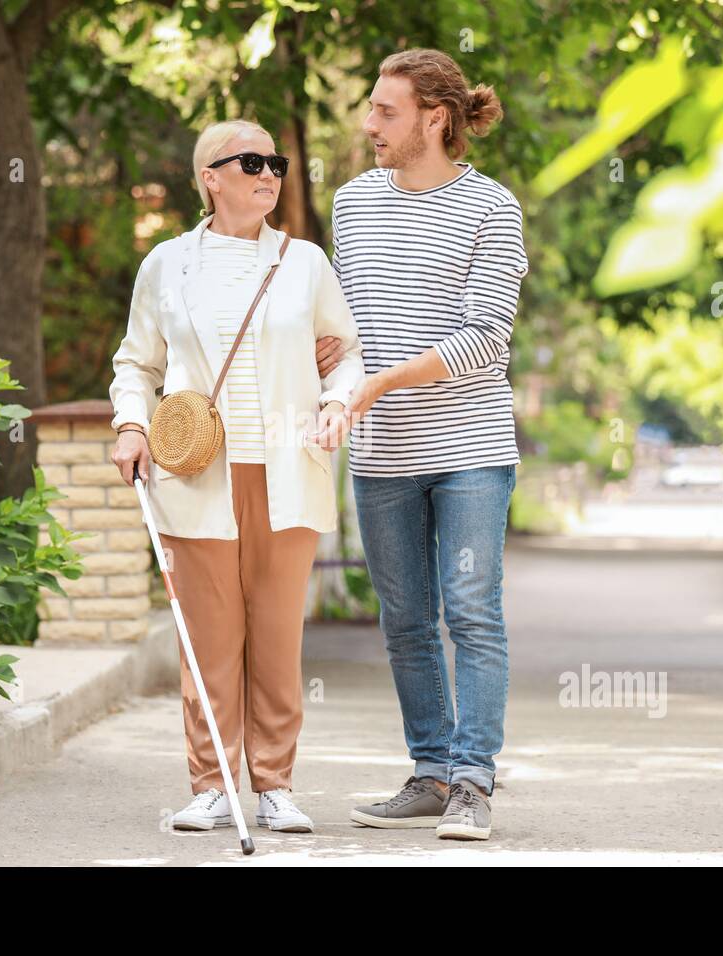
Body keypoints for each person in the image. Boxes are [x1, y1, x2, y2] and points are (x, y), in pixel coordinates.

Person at [109, 119, 364, 834]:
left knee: (277, 636)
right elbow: (138, 363)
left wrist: (340, 401)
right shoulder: (166, 264)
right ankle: (214, 783)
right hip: (196, 474)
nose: (269, 173)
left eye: (276, 162)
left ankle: (276, 785)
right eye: (250, 162)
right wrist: (132, 424)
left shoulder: (305, 262)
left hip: (287, 469)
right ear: (209, 178)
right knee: (209, 636)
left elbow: (346, 352)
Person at [320, 49, 529, 840]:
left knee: (471, 612)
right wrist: (334, 374)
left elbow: (486, 340)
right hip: (382, 455)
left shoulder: (491, 208)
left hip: (470, 445)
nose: (368, 124)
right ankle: (432, 772)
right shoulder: (352, 204)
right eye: (370, 109)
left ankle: (475, 781)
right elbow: (346, 327)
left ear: (434, 119)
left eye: (385, 111)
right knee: (405, 620)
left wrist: (377, 384)